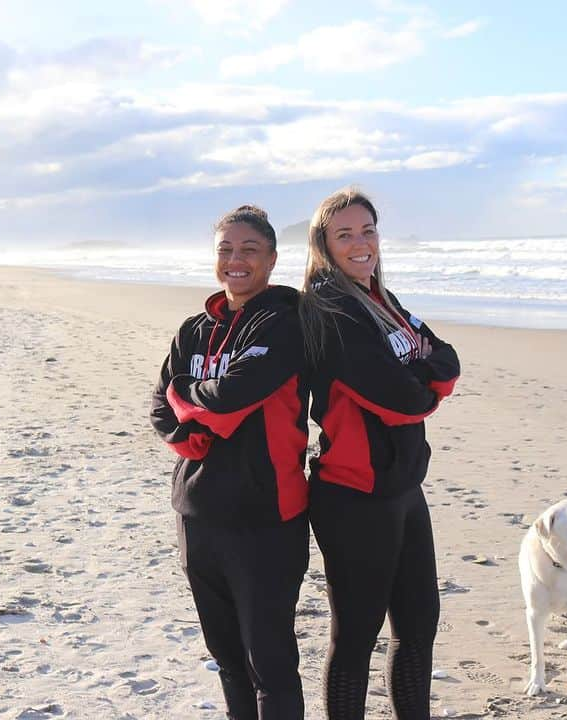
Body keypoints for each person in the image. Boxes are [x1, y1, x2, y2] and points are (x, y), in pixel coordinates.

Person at [298, 188, 460, 719]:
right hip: (353, 494)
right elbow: (399, 400)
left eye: (367, 230)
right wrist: (424, 382)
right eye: (344, 234)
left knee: (417, 627)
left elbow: (447, 358)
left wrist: (424, 381)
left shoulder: (381, 300)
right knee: (357, 636)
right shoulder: (331, 308)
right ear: (324, 244)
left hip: (403, 487)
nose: (360, 242)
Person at [150, 205, 310, 719]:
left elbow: (232, 396)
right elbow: (159, 405)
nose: (235, 260)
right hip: (197, 517)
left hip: (266, 518)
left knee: (270, 661)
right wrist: (185, 433)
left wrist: (188, 400)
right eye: (225, 249)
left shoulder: (285, 322)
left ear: (271, 259)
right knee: (227, 660)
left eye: (248, 250)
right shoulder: (193, 329)